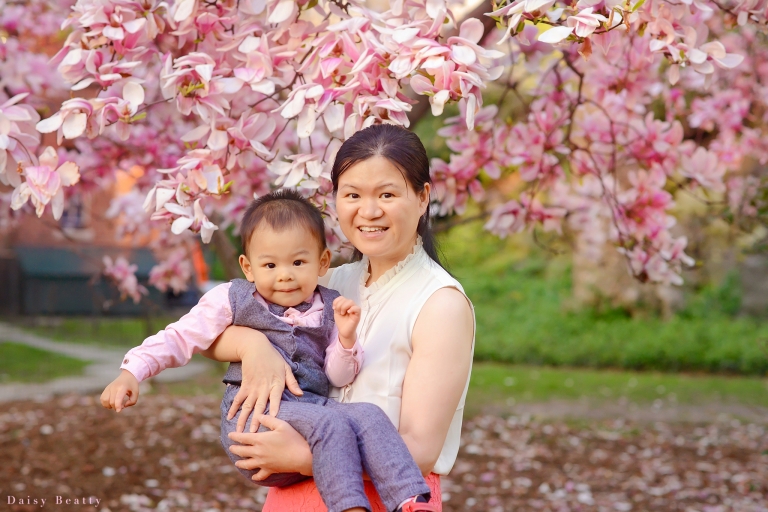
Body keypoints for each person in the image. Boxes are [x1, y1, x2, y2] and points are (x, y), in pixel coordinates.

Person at [100, 189, 437, 512]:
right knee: (329, 424)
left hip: (309, 415)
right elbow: (181, 336)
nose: (285, 276)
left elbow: (338, 376)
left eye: (298, 262)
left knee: (368, 415)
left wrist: (346, 340)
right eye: (270, 265)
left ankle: (410, 499)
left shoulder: (330, 306)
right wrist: (132, 371)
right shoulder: (233, 299)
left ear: (322, 262)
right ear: (248, 267)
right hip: (255, 423)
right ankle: (350, 508)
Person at [202, 124, 476, 512]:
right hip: (292, 496)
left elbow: (420, 453)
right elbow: (206, 333)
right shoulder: (327, 282)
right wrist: (251, 345)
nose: (369, 211)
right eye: (352, 195)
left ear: (422, 197)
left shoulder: (439, 304)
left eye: (386, 194)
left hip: (387, 497)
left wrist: (302, 458)